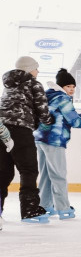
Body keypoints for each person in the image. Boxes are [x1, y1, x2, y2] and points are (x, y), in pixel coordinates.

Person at [33, 68, 81, 219]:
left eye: (73, 87)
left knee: (46, 174)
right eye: (68, 86)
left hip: (40, 138)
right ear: (61, 86)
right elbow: (75, 121)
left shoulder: (48, 95)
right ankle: (63, 207)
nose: (71, 90)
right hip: (54, 140)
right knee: (59, 174)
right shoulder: (63, 99)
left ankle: (45, 205)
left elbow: (66, 116)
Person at [0, 56, 55, 223]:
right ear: (30, 69)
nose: (37, 71)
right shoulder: (33, 83)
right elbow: (42, 109)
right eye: (36, 68)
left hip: (1, 129)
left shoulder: (8, 85)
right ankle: (29, 209)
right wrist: (48, 121)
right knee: (28, 169)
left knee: (3, 171)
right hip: (20, 130)